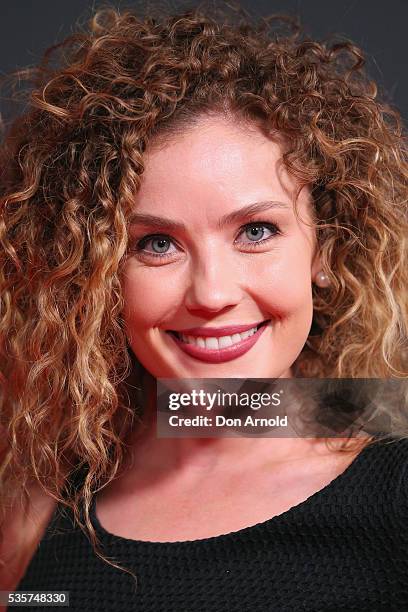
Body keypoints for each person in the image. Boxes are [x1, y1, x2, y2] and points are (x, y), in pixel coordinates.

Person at [0, 4, 407, 611]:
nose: (212, 294)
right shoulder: (49, 482)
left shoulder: (392, 484)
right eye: (156, 244)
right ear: (97, 273)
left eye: (257, 232)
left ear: (326, 248)